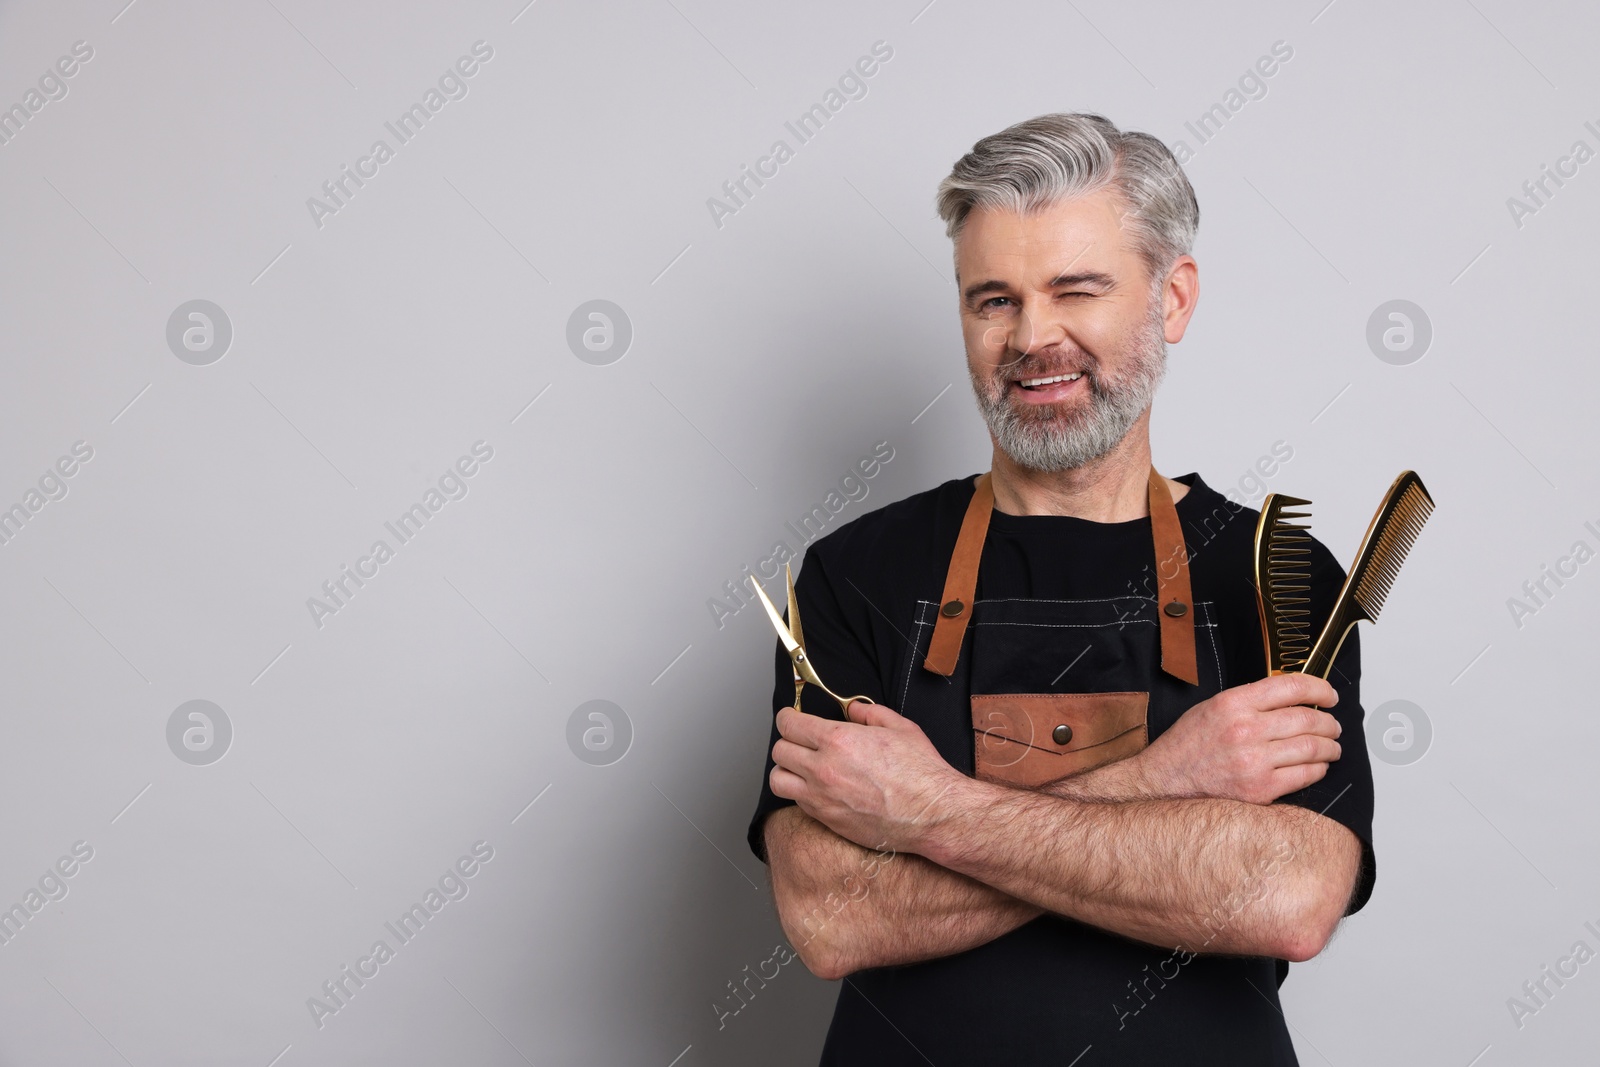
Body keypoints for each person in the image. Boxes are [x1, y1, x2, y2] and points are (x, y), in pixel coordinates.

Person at [744, 112, 1374, 1066]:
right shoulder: (856, 575)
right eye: (993, 299)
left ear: (1172, 299)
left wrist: (924, 812)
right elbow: (833, 916)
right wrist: (1166, 779)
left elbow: (1285, 897)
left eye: (1077, 288)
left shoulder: (1276, 577)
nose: (1034, 337)